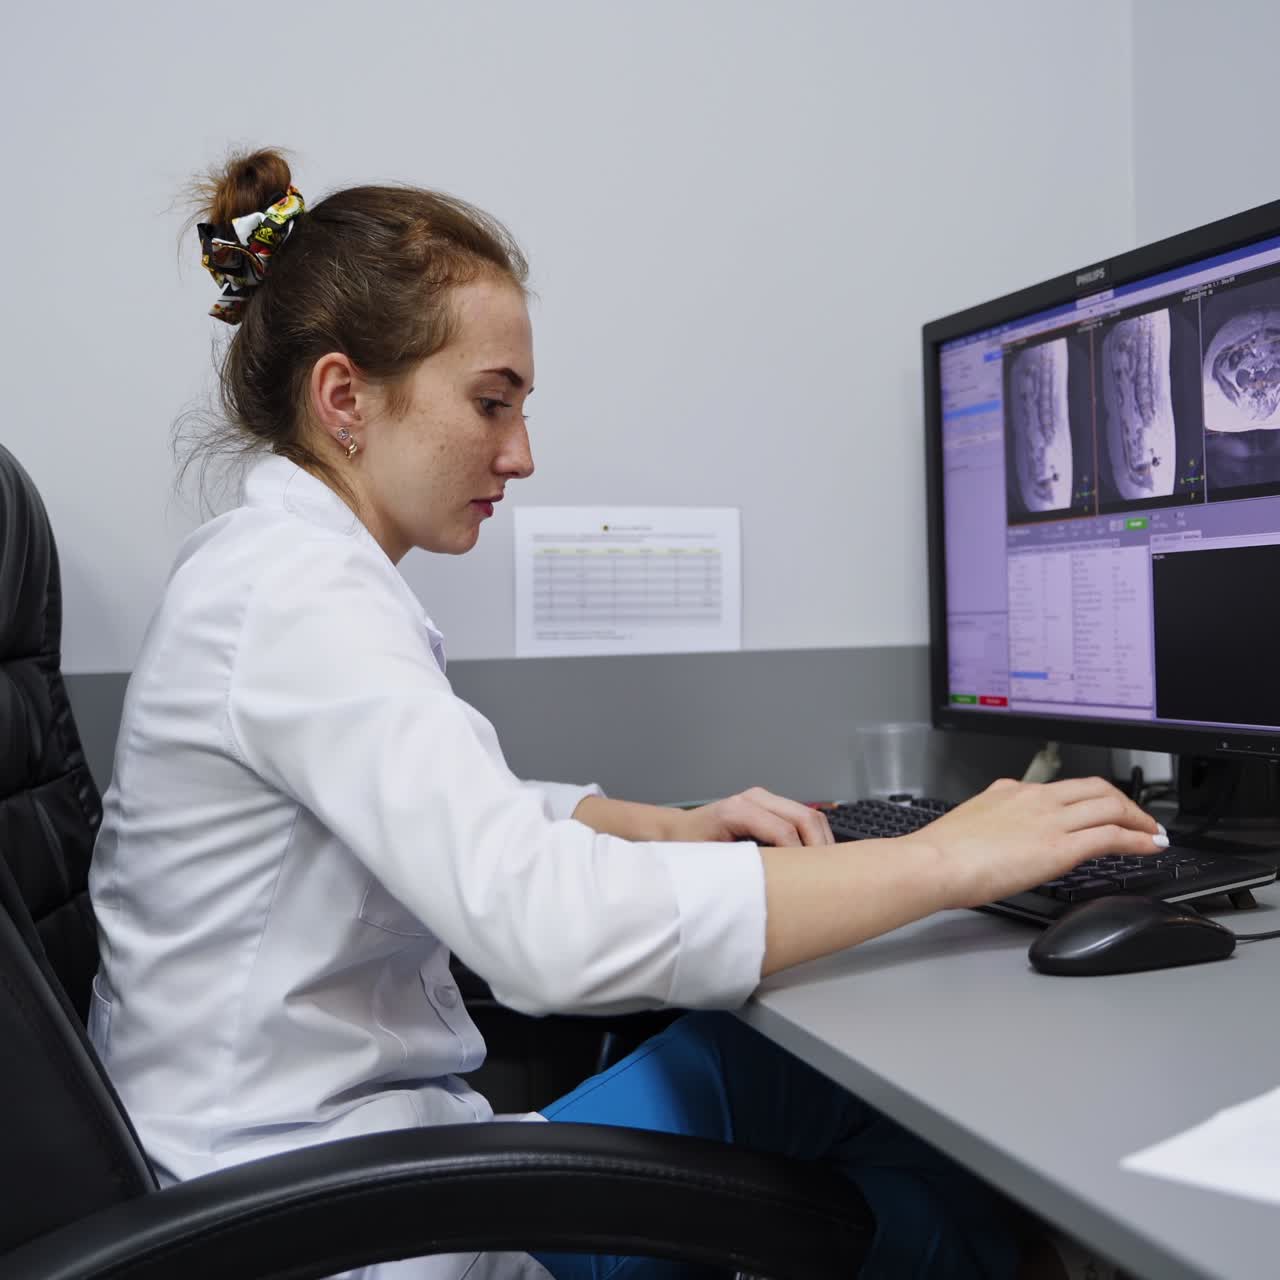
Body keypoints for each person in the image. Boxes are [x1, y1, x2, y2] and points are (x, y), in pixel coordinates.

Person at [87, 149, 1164, 1280]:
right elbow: (542, 931)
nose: (520, 452)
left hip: (339, 1172)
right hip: (341, 1227)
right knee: (920, 1209)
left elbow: (446, 810)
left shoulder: (280, 574)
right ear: (345, 396)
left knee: (826, 1105)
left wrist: (650, 820)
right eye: (490, 401)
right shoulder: (297, 598)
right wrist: (948, 857)